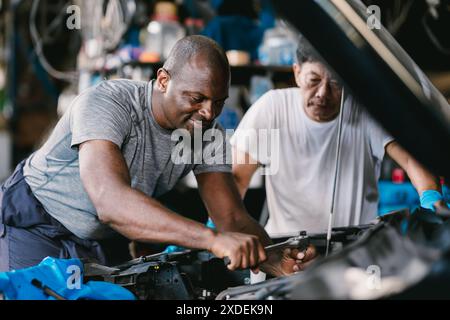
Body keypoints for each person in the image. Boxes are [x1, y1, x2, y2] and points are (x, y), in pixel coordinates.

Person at [0, 35, 309, 275]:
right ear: (163, 80)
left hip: (103, 239)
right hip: (38, 222)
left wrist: (279, 259)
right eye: (197, 98)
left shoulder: (206, 131)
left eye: (218, 102)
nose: (208, 112)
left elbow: (231, 217)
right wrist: (211, 239)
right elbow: (110, 201)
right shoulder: (109, 103)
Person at [231, 36, 447, 259]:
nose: (323, 93)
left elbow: (412, 159)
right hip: (284, 249)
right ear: (297, 73)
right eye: (313, 80)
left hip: (355, 250)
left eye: (335, 83)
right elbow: (237, 177)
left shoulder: (365, 110)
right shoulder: (271, 107)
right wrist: (220, 225)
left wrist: (432, 200)